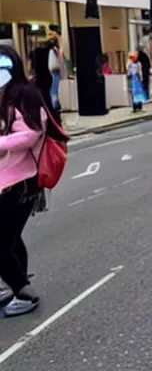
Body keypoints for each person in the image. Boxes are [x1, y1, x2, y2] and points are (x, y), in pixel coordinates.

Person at [0, 46, 48, 317]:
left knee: (2, 244)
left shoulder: (25, 94)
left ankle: (23, 292)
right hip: (8, 180)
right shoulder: (5, 96)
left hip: (22, 181)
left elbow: (32, 133)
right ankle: (19, 285)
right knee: (11, 239)